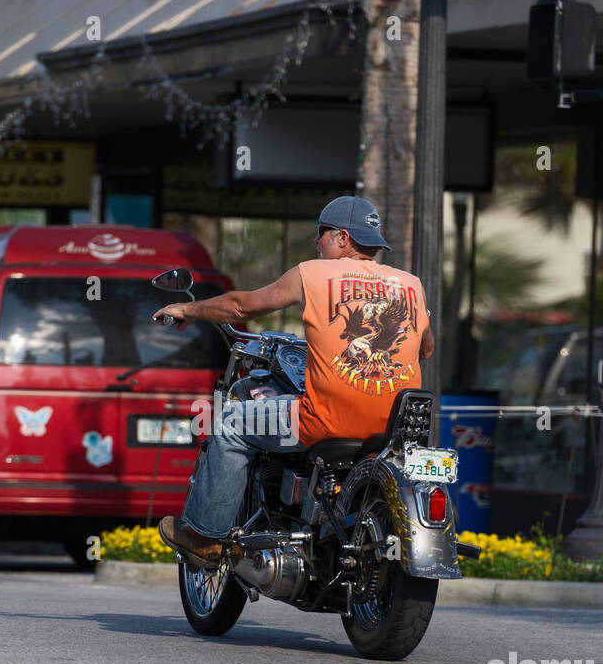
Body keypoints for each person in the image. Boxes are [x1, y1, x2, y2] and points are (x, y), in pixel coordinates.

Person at [153, 196, 435, 567]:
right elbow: (426, 348)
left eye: (320, 234)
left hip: (323, 421)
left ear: (342, 238)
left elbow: (242, 307)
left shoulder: (312, 274)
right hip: (391, 429)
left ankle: (205, 536)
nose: (316, 243)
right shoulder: (410, 284)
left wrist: (187, 308)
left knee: (232, 423)